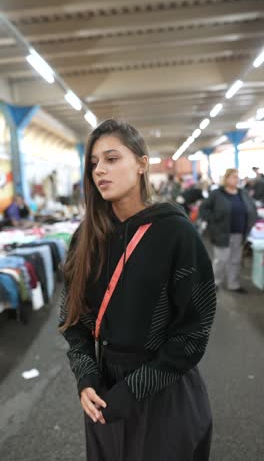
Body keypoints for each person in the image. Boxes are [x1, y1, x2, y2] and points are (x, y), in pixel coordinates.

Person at [59, 119, 216, 461]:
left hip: (166, 391)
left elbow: (194, 330)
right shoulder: (86, 239)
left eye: (112, 158)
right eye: (94, 163)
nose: (100, 170)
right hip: (105, 391)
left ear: (142, 164)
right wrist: (86, 377)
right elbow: (73, 320)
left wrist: (134, 389)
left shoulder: (176, 233)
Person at [200, 168, 257, 293]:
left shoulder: (242, 193)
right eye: (233, 177)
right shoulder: (217, 194)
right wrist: (214, 219)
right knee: (221, 260)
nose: (236, 179)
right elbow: (204, 210)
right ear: (226, 179)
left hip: (240, 233)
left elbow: (252, 207)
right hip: (222, 233)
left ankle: (233, 284)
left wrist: (251, 221)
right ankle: (215, 282)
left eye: (237, 176)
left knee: (235, 260)